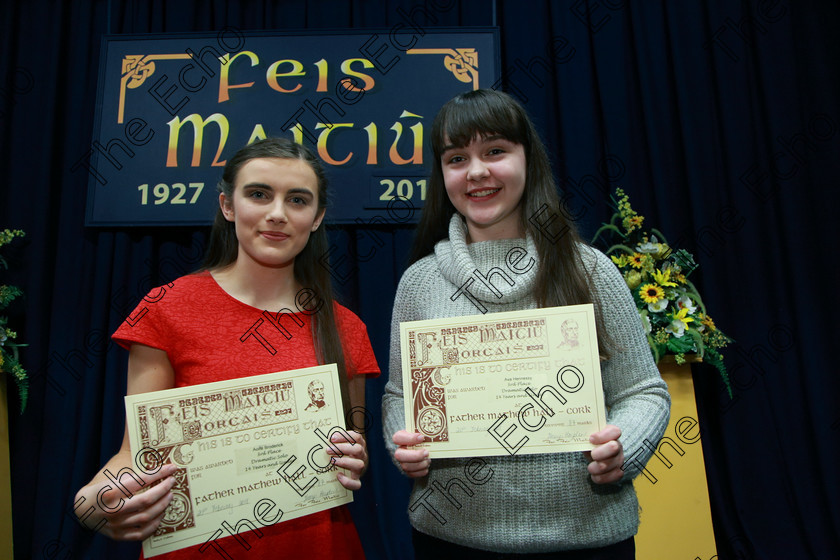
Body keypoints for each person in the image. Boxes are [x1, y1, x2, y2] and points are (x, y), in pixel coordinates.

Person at [382, 89, 670, 559]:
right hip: (450, 541)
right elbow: (400, 395)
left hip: (587, 541)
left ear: (528, 159)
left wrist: (624, 448)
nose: (476, 171)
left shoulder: (590, 269)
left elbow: (643, 391)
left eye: (495, 151)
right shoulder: (419, 282)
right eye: (457, 158)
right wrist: (406, 444)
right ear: (443, 175)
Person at [74, 138, 379, 560]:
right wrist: (93, 503)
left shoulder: (347, 327)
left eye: (297, 200)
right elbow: (133, 457)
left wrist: (353, 457)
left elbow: (353, 444)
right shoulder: (168, 308)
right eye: (258, 194)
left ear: (317, 217)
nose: (277, 214)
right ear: (227, 205)